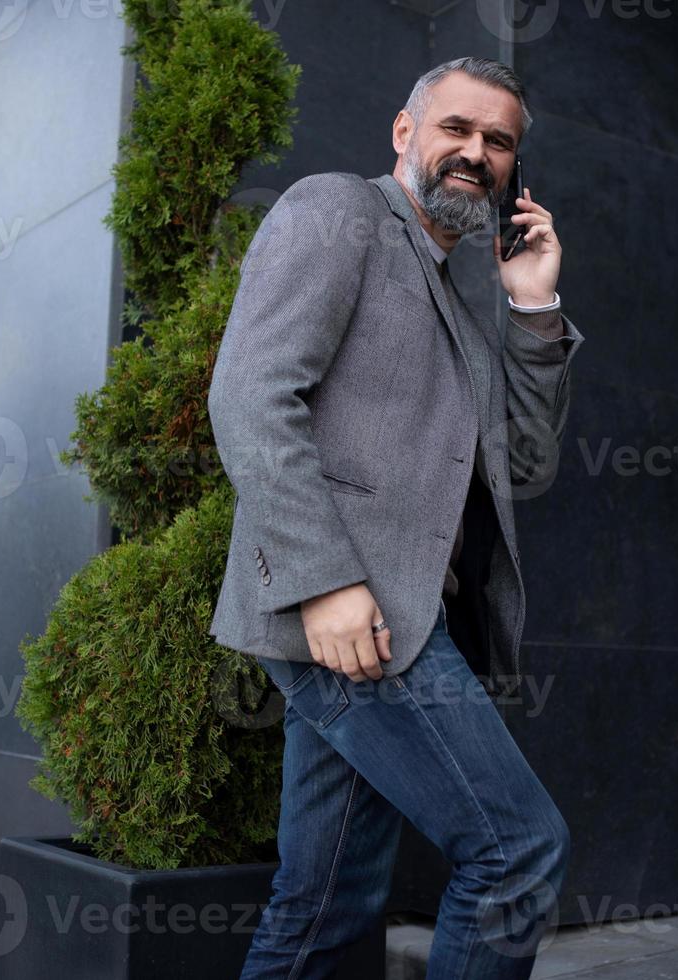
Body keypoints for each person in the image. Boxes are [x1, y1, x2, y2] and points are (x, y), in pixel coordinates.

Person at [206, 55, 585, 979]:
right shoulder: (340, 211)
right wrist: (326, 582)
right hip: (355, 616)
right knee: (515, 854)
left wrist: (533, 308)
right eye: (457, 128)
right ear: (404, 132)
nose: (477, 152)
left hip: (401, 615)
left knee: (323, 904)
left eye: (499, 142)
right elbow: (252, 394)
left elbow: (524, 467)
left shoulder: (467, 291)